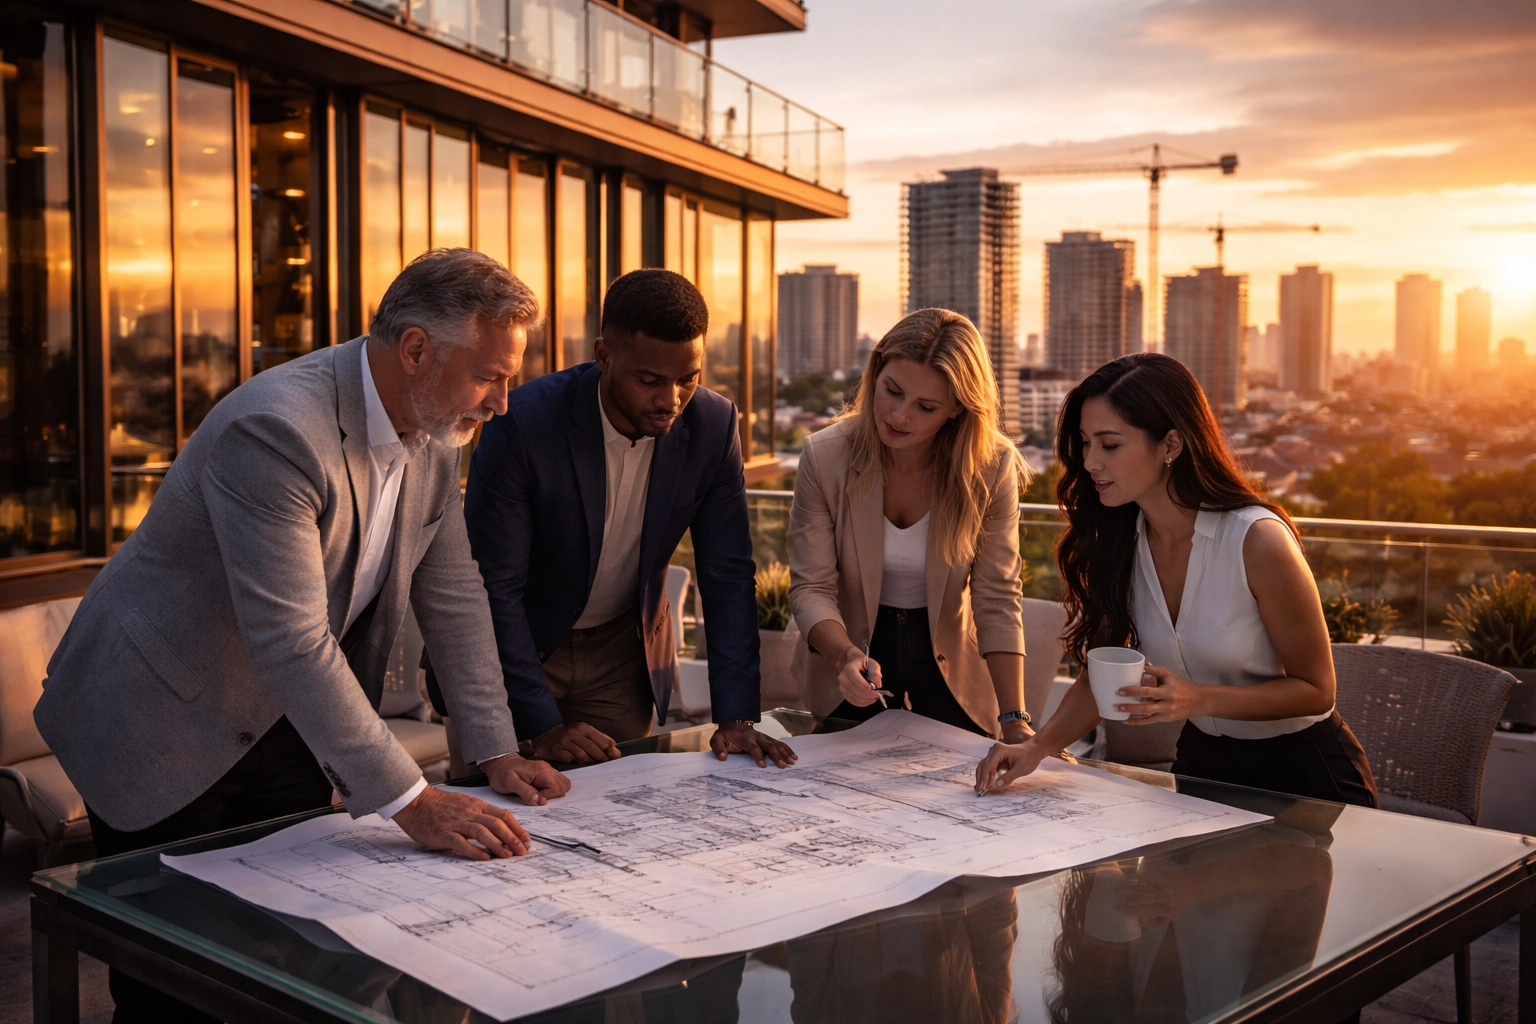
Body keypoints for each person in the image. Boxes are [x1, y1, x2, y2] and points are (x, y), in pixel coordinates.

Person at [38, 248, 571, 1022]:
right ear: (417, 349)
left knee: (280, 960)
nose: (503, 403)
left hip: (284, 722)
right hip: (157, 715)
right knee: (170, 981)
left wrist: (494, 748)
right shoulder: (277, 428)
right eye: (490, 376)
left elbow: (454, 593)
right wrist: (415, 802)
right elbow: (291, 638)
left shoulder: (432, 430)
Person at [975, 353, 1377, 808]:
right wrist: (1036, 747)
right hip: (1203, 764)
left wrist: (1197, 699)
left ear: (1170, 445)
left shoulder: (1256, 541)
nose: (1089, 461)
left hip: (1305, 773)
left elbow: (1317, 689)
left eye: (1110, 445)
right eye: (1085, 443)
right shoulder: (1121, 541)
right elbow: (1099, 673)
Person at [435, 268, 795, 769]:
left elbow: (727, 574)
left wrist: (737, 716)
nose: (671, 400)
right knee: (501, 815)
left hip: (620, 654)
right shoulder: (522, 424)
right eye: (650, 380)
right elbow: (495, 587)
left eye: (687, 379)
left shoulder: (714, 425)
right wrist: (542, 726)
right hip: (511, 648)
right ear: (604, 356)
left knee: (620, 811)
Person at [787, 308, 1032, 740]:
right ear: (875, 371)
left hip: (951, 665)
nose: (899, 416)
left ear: (957, 409)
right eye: (892, 391)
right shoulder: (824, 457)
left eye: (926, 406)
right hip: (849, 652)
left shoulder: (992, 467)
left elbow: (996, 596)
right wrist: (844, 655)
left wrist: (1014, 719)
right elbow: (812, 588)